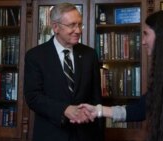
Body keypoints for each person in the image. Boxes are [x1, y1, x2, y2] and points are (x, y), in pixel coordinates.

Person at [79, 10, 163, 141]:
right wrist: (98, 110)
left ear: (162, 37)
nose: (143, 41)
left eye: (146, 34)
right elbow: (140, 109)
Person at [24, 3, 103, 141]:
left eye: (80, 25)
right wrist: (64, 109)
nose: (78, 30)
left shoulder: (89, 55)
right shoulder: (35, 56)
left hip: (85, 135)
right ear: (56, 27)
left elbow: (96, 98)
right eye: (72, 25)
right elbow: (33, 97)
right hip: (51, 134)